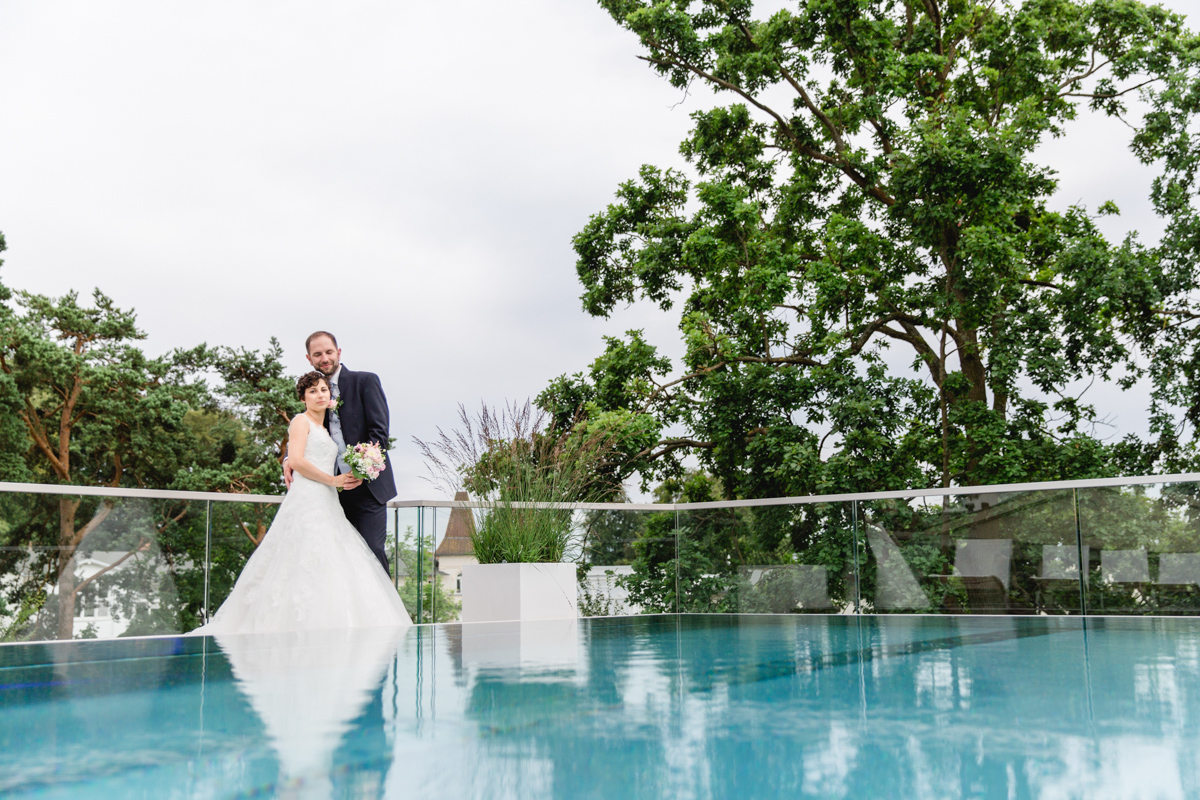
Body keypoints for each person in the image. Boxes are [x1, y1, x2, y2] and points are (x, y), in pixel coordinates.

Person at [192, 371, 411, 634]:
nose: (320, 395)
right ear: (303, 398)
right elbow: (295, 460)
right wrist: (333, 481)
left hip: (328, 501)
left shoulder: (325, 426)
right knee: (301, 555)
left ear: (330, 395)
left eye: (323, 390)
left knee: (330, 558)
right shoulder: (300, 421)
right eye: (313, 391)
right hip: (309, 497)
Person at [285, 331, 396, 574]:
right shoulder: (314, 392)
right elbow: (305, 428)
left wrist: (360, 470)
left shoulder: (365, 381)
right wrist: (288, 458)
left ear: (338, 352)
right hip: (331, 492)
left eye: (328, 352)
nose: (324, 358)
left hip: (368, 488)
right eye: (317, 354)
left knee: (372, 551)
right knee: (337, 559)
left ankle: (382, 613)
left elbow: (379, 433)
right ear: (309, 358)